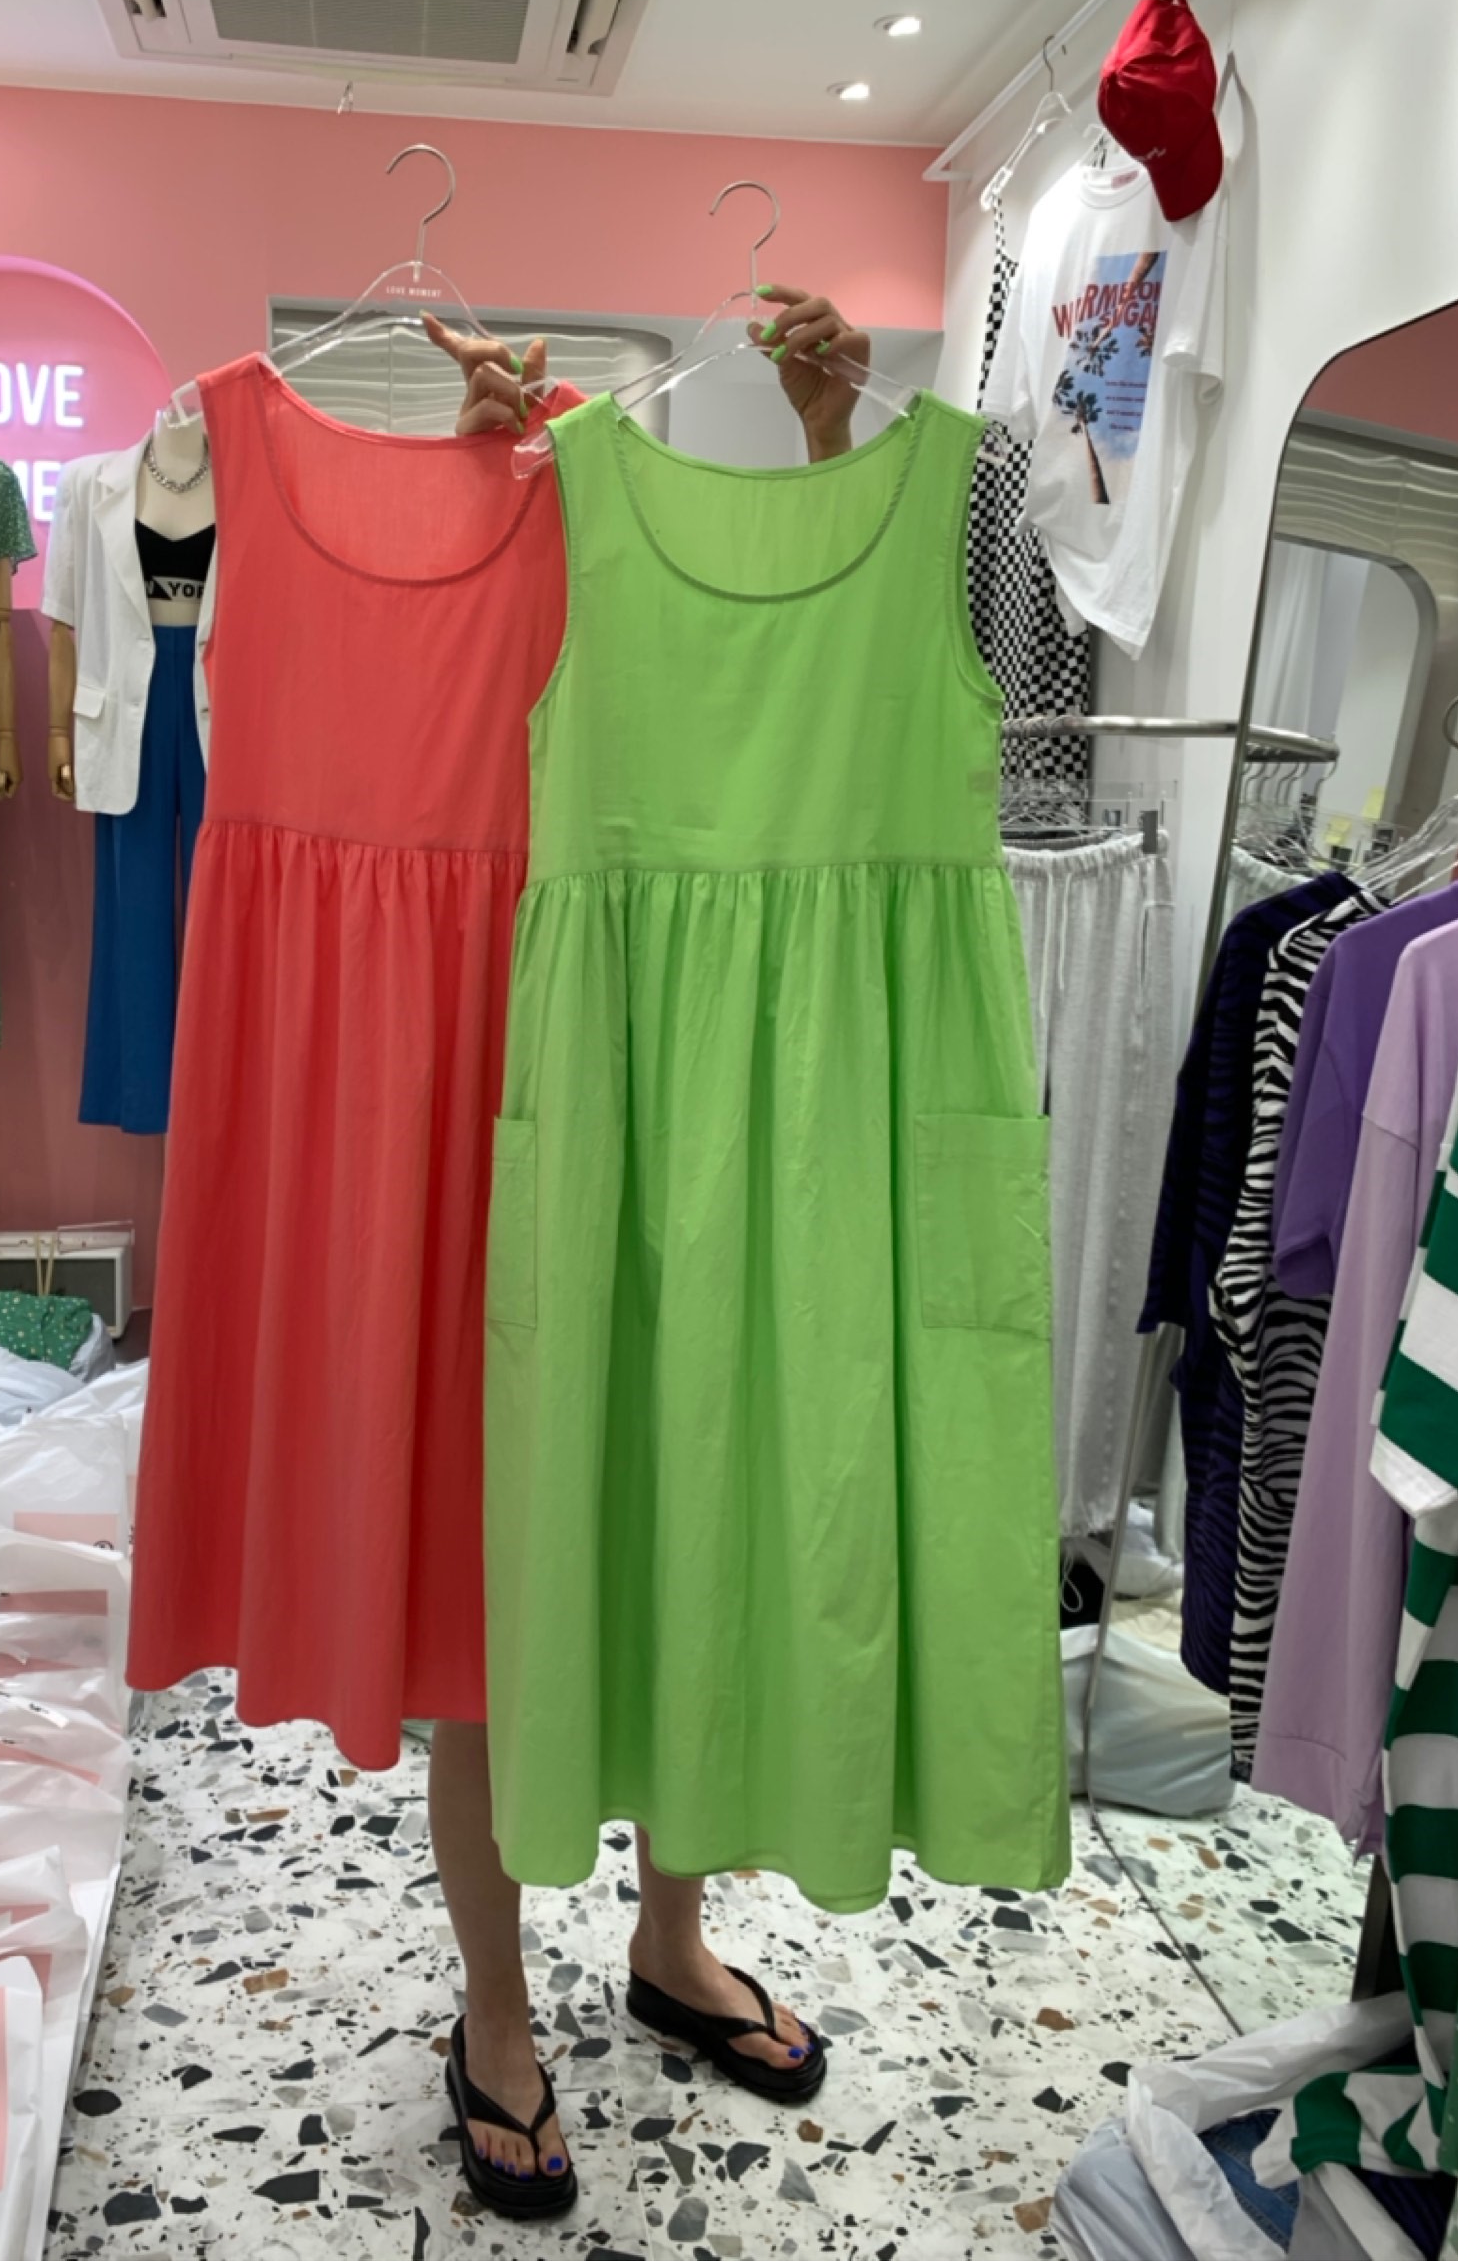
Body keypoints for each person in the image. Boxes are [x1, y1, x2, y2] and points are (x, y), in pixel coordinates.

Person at [419, 289, 877, 2206]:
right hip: (535, 1050)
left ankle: (671, 1939)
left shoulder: (840, 513)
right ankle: (493, 2006)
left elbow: (837, 643)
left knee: (699, 1527)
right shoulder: (553, 496)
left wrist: (832, 436)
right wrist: (489, 470)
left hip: (751, 1107)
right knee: (505, 1572)